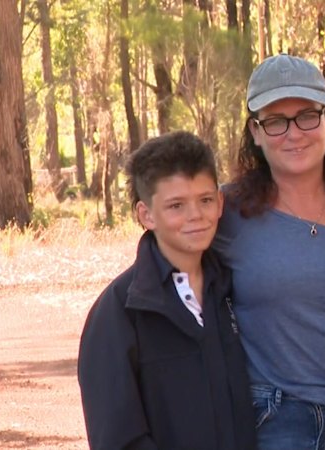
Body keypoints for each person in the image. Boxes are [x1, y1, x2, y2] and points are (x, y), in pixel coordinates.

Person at [212, 54, 325, 450]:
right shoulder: (224, 212)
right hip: (272, 418)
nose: (293, 133)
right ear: (255, 131)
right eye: (275, 121)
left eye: (307, 115)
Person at [77, 131, 256, 450]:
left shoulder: (233, 290)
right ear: (146, 215)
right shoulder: (120, 312)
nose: (196, 216)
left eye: (205, 200)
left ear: (220, 203)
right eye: (176, 206)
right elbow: (117, 438)